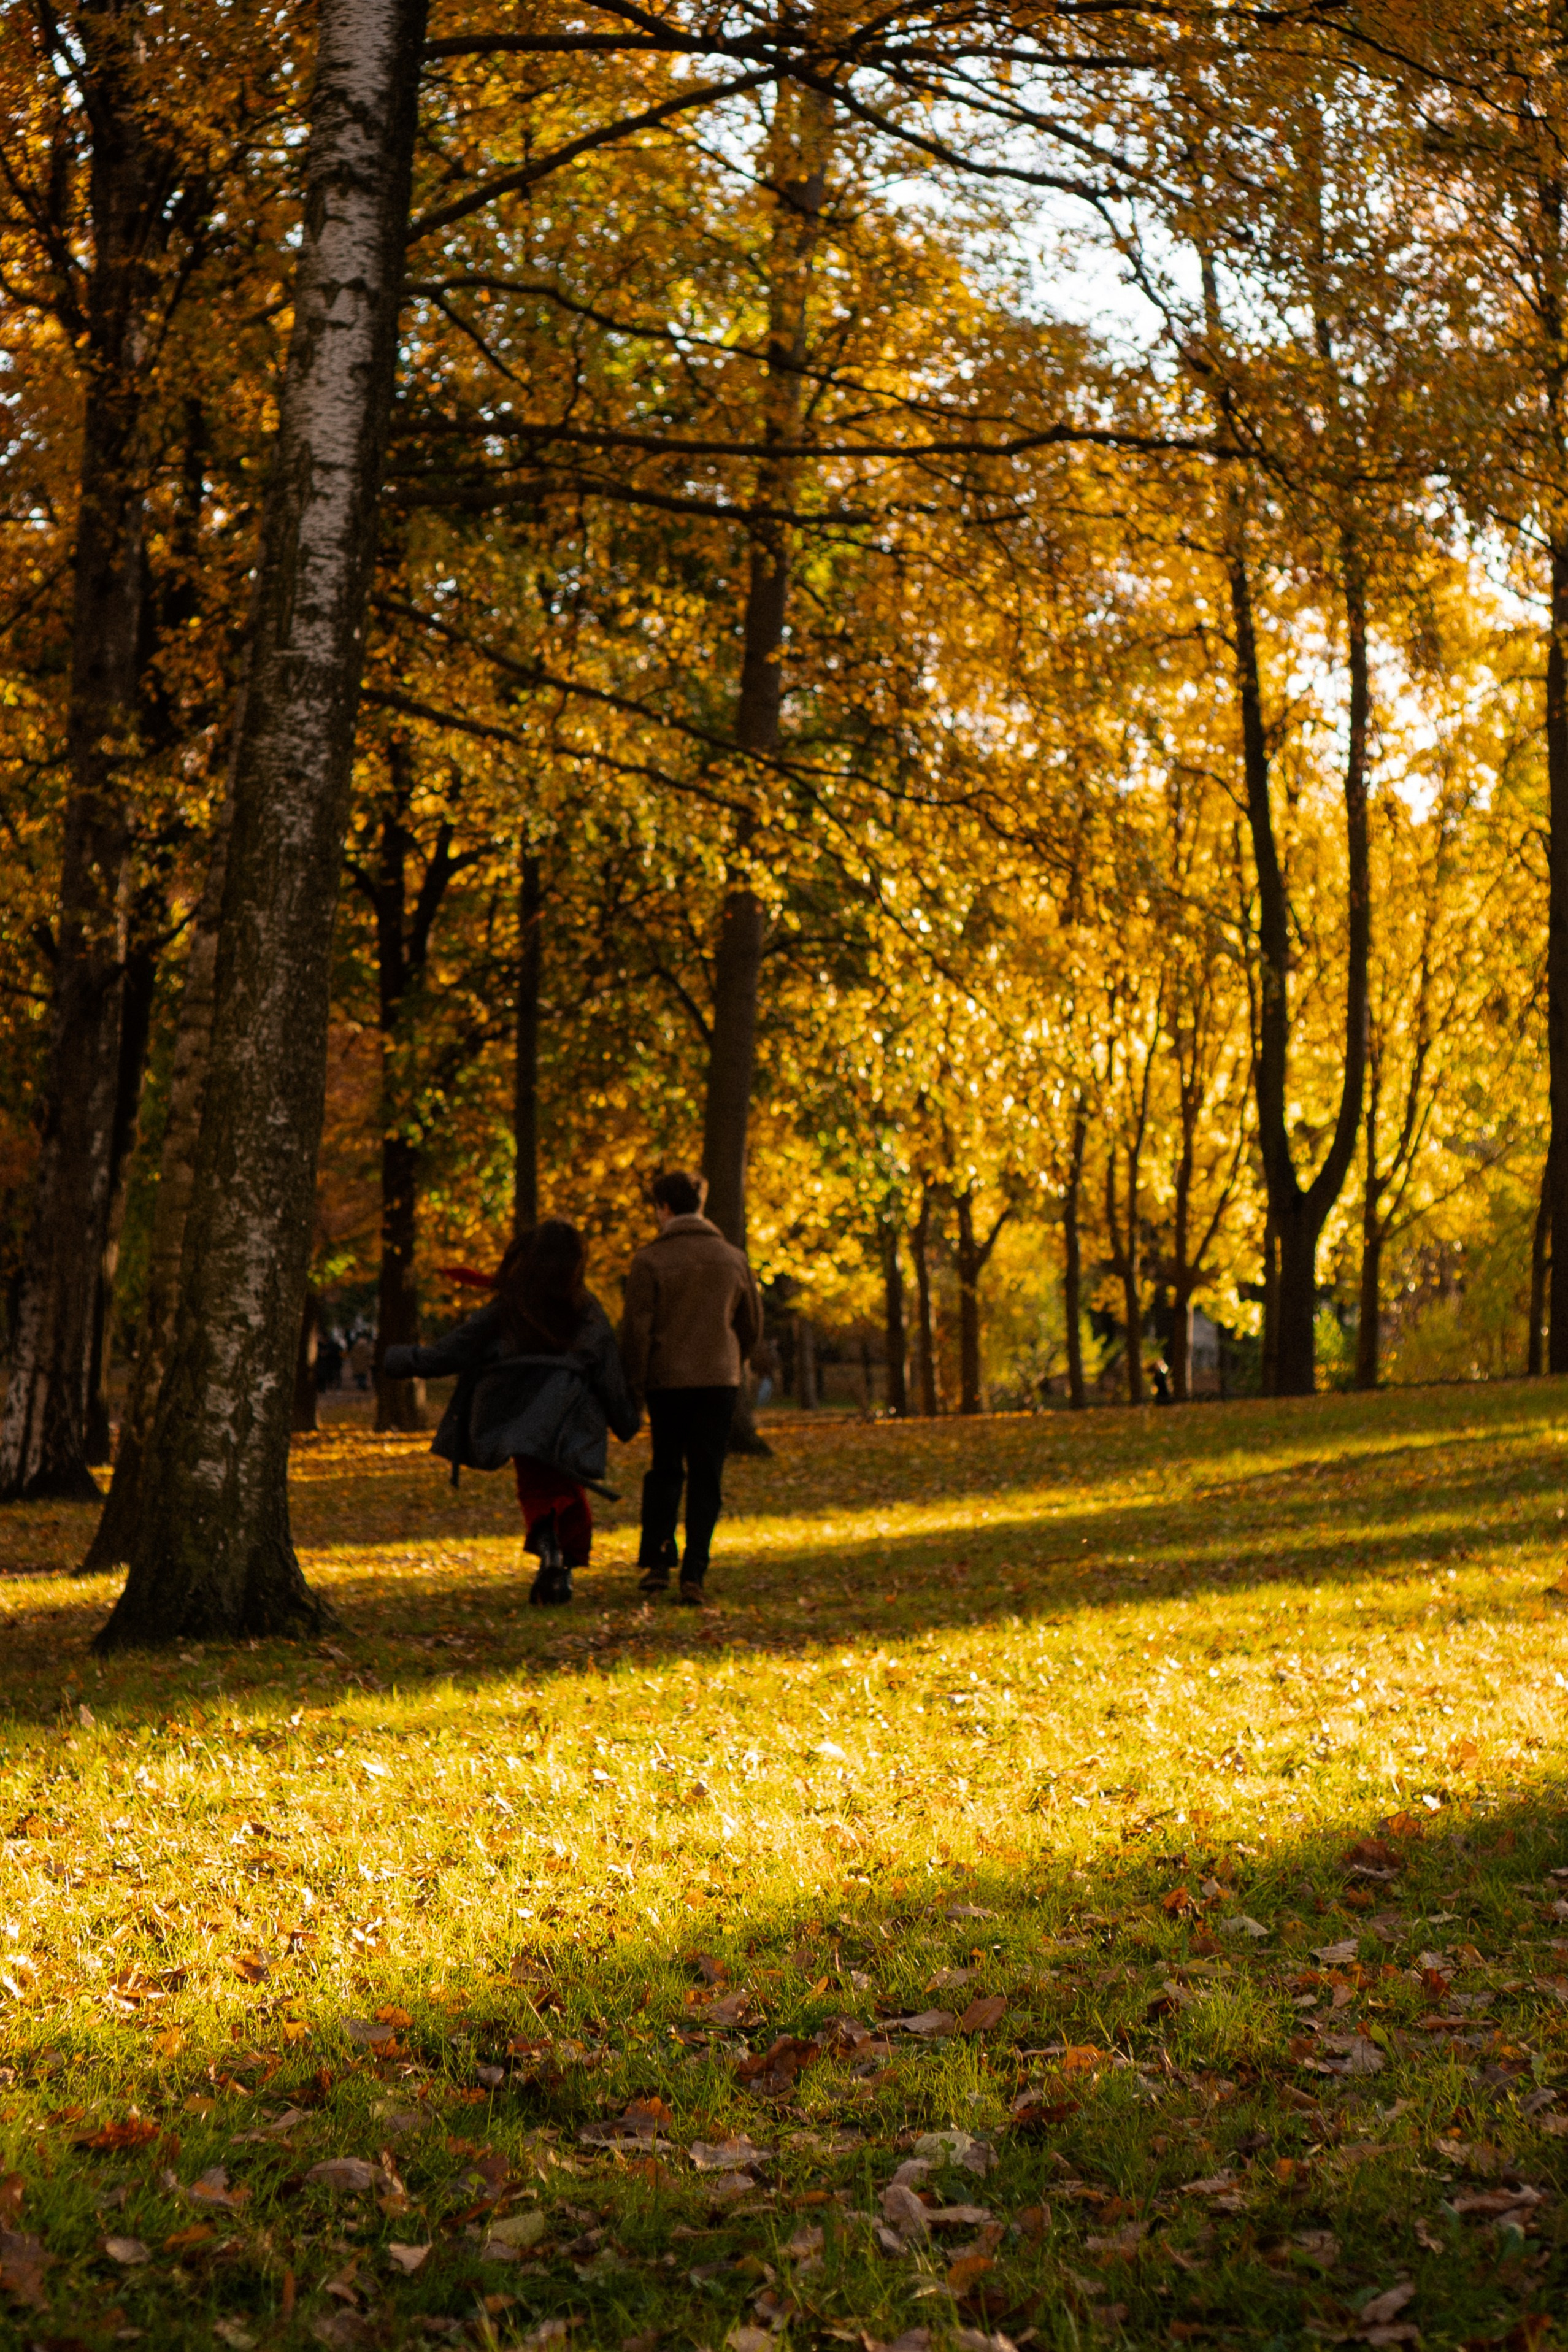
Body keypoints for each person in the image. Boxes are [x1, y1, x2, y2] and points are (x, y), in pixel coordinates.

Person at [383, 1219, 639, 1607]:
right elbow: (608, 1370)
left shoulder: (511, 1305)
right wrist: (625, 1419)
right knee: (567, 1487)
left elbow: (456, 1349)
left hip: (520, 1417)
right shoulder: (586, 1309)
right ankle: (561, 1565)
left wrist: (400, 1360)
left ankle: (550, 1551)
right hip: (572, 1417)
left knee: (538, 1489)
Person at [620, 1170, 763, 1606]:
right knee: (707, 1475)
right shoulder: (732, 1258)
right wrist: (730, 1359)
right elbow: (751, 1324)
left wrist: (635, 1385)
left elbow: (636, 1332)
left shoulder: (649, 1262)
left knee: (666, 1468)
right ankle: (695, 1570)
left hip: (668, 1381)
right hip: (718, 1380)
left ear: (663, 1208)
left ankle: (660, 1559)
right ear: (699, 1205)